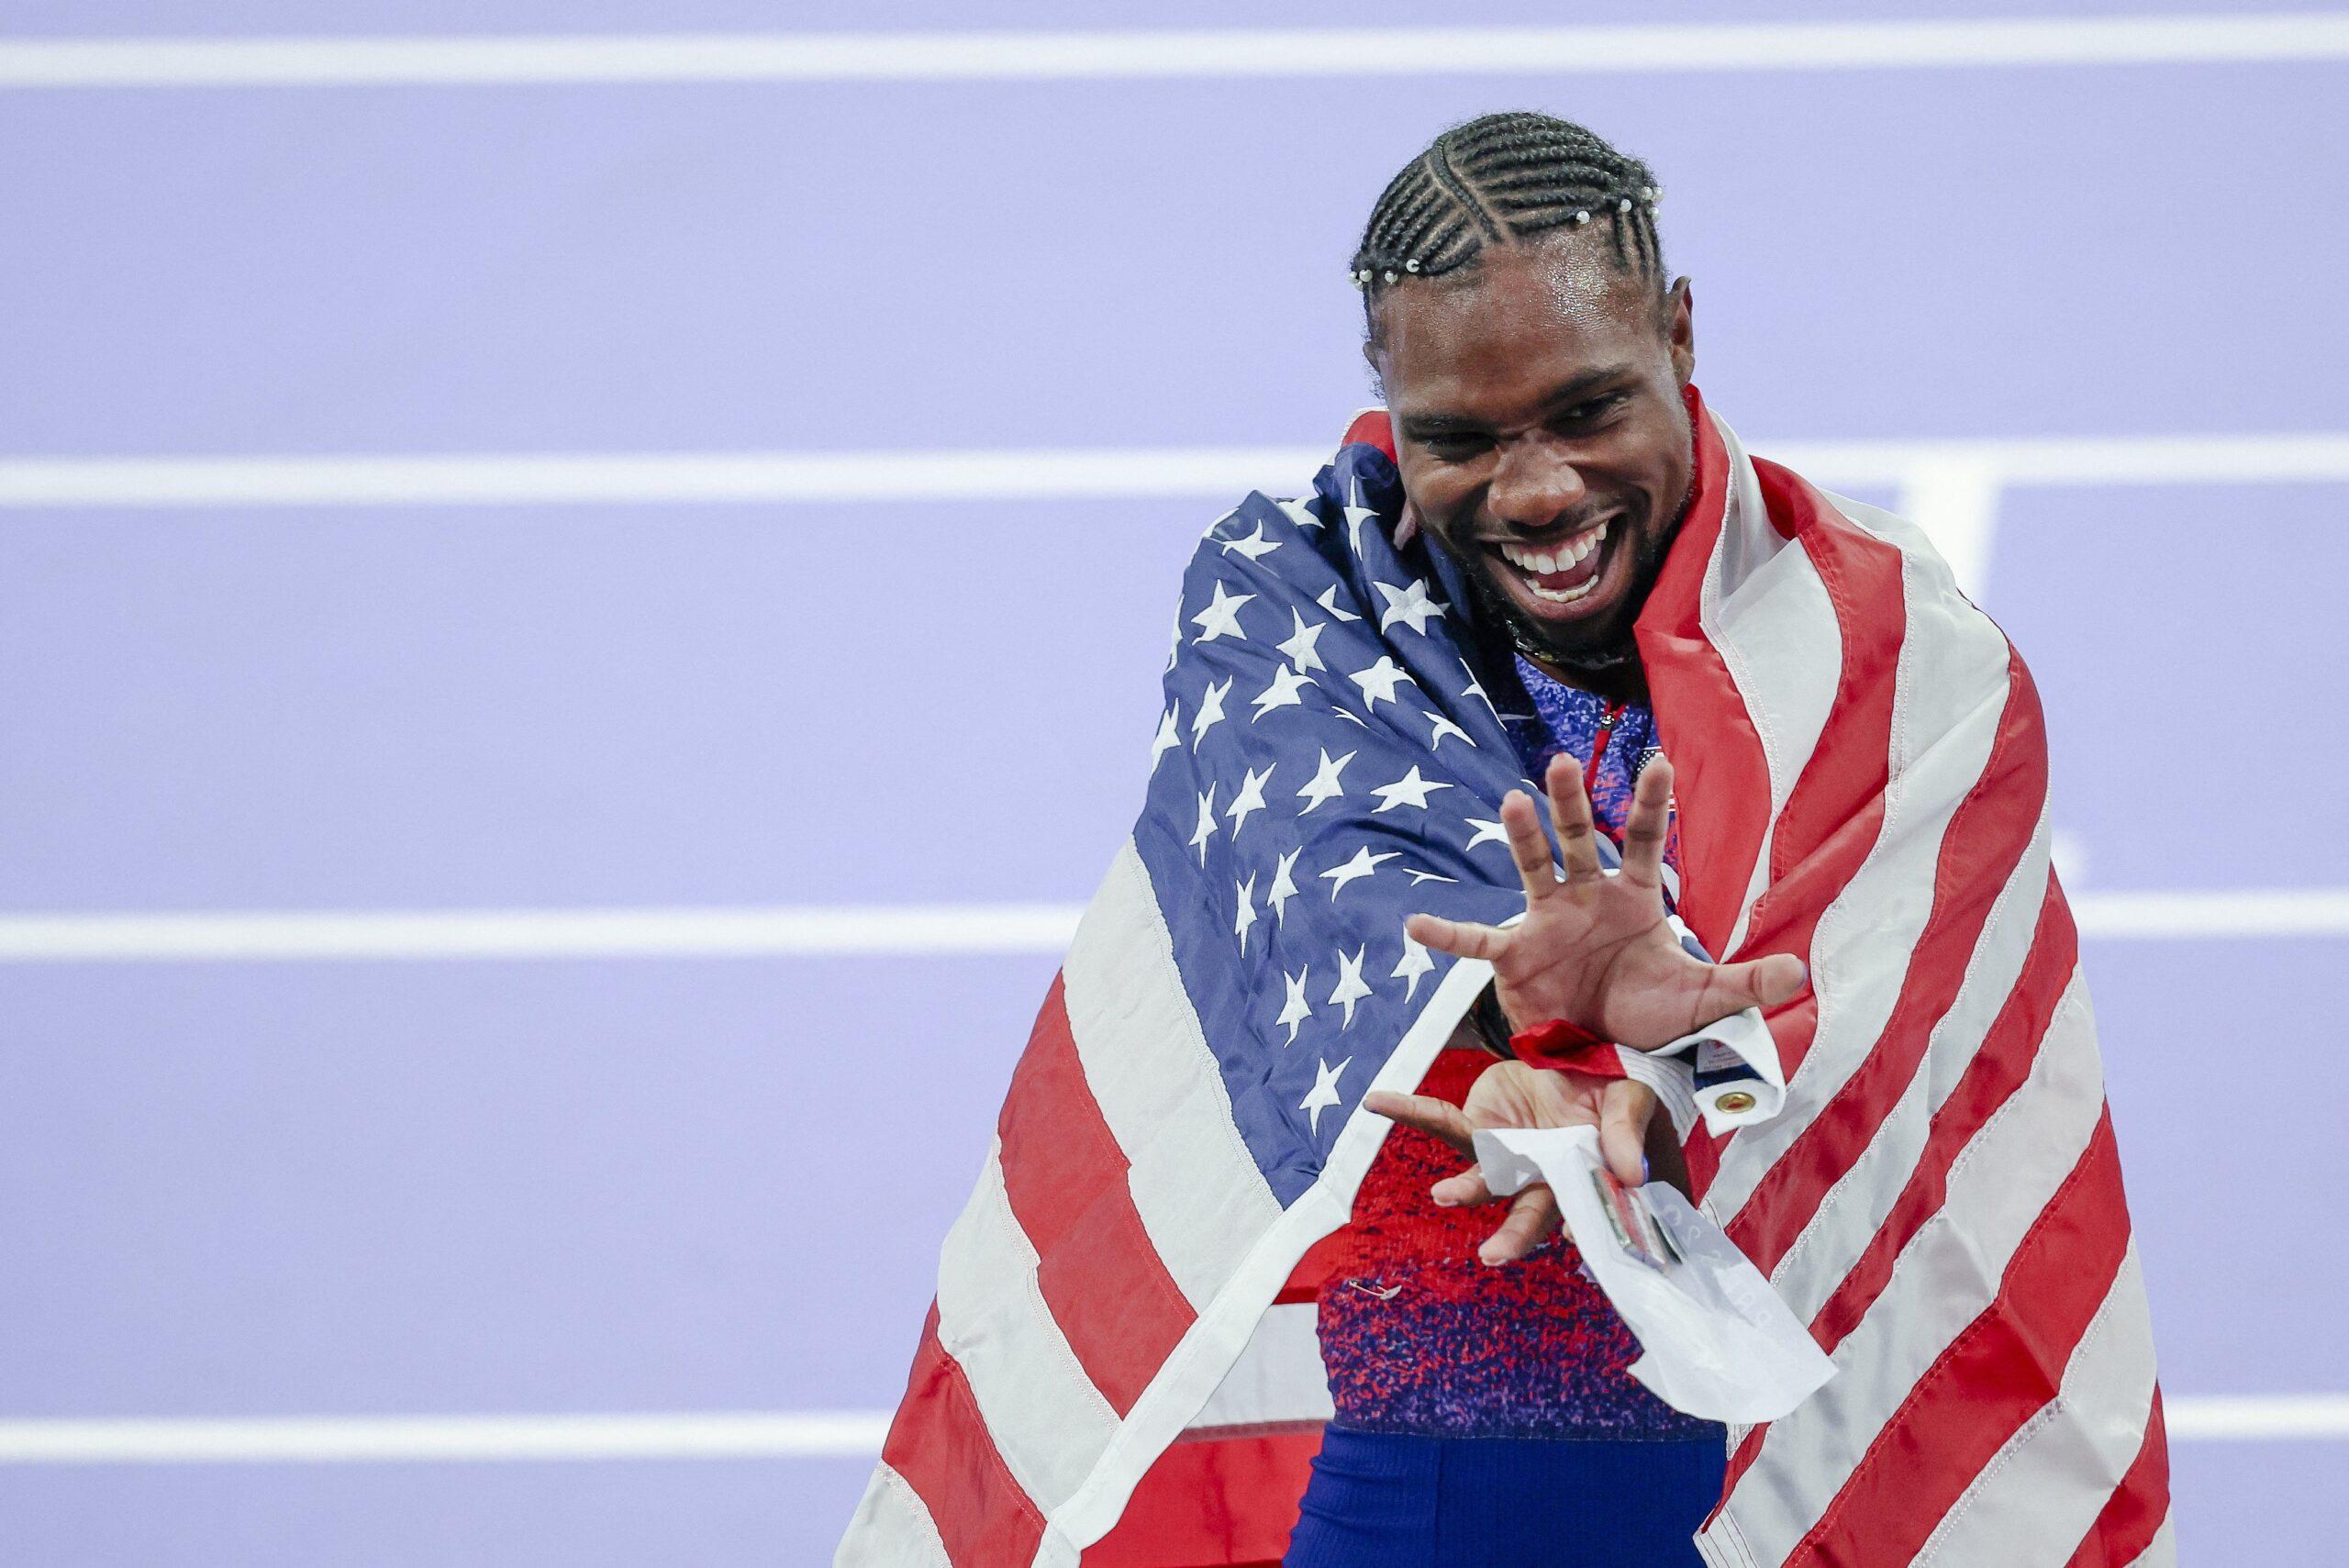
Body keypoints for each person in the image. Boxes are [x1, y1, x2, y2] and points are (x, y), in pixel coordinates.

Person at [838, 112, 2168, 1568]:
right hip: (1414, 1496)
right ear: (1384, 399)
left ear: (1679, 332)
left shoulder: (1888, 651)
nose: (1537, 492)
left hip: (1769, 1498)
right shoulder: (1295, 615)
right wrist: (1517, 1018)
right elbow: (1338, 914)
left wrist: (1650, 1099)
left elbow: (1880, 1027)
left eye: (1589, 410)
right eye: (1461, 440)